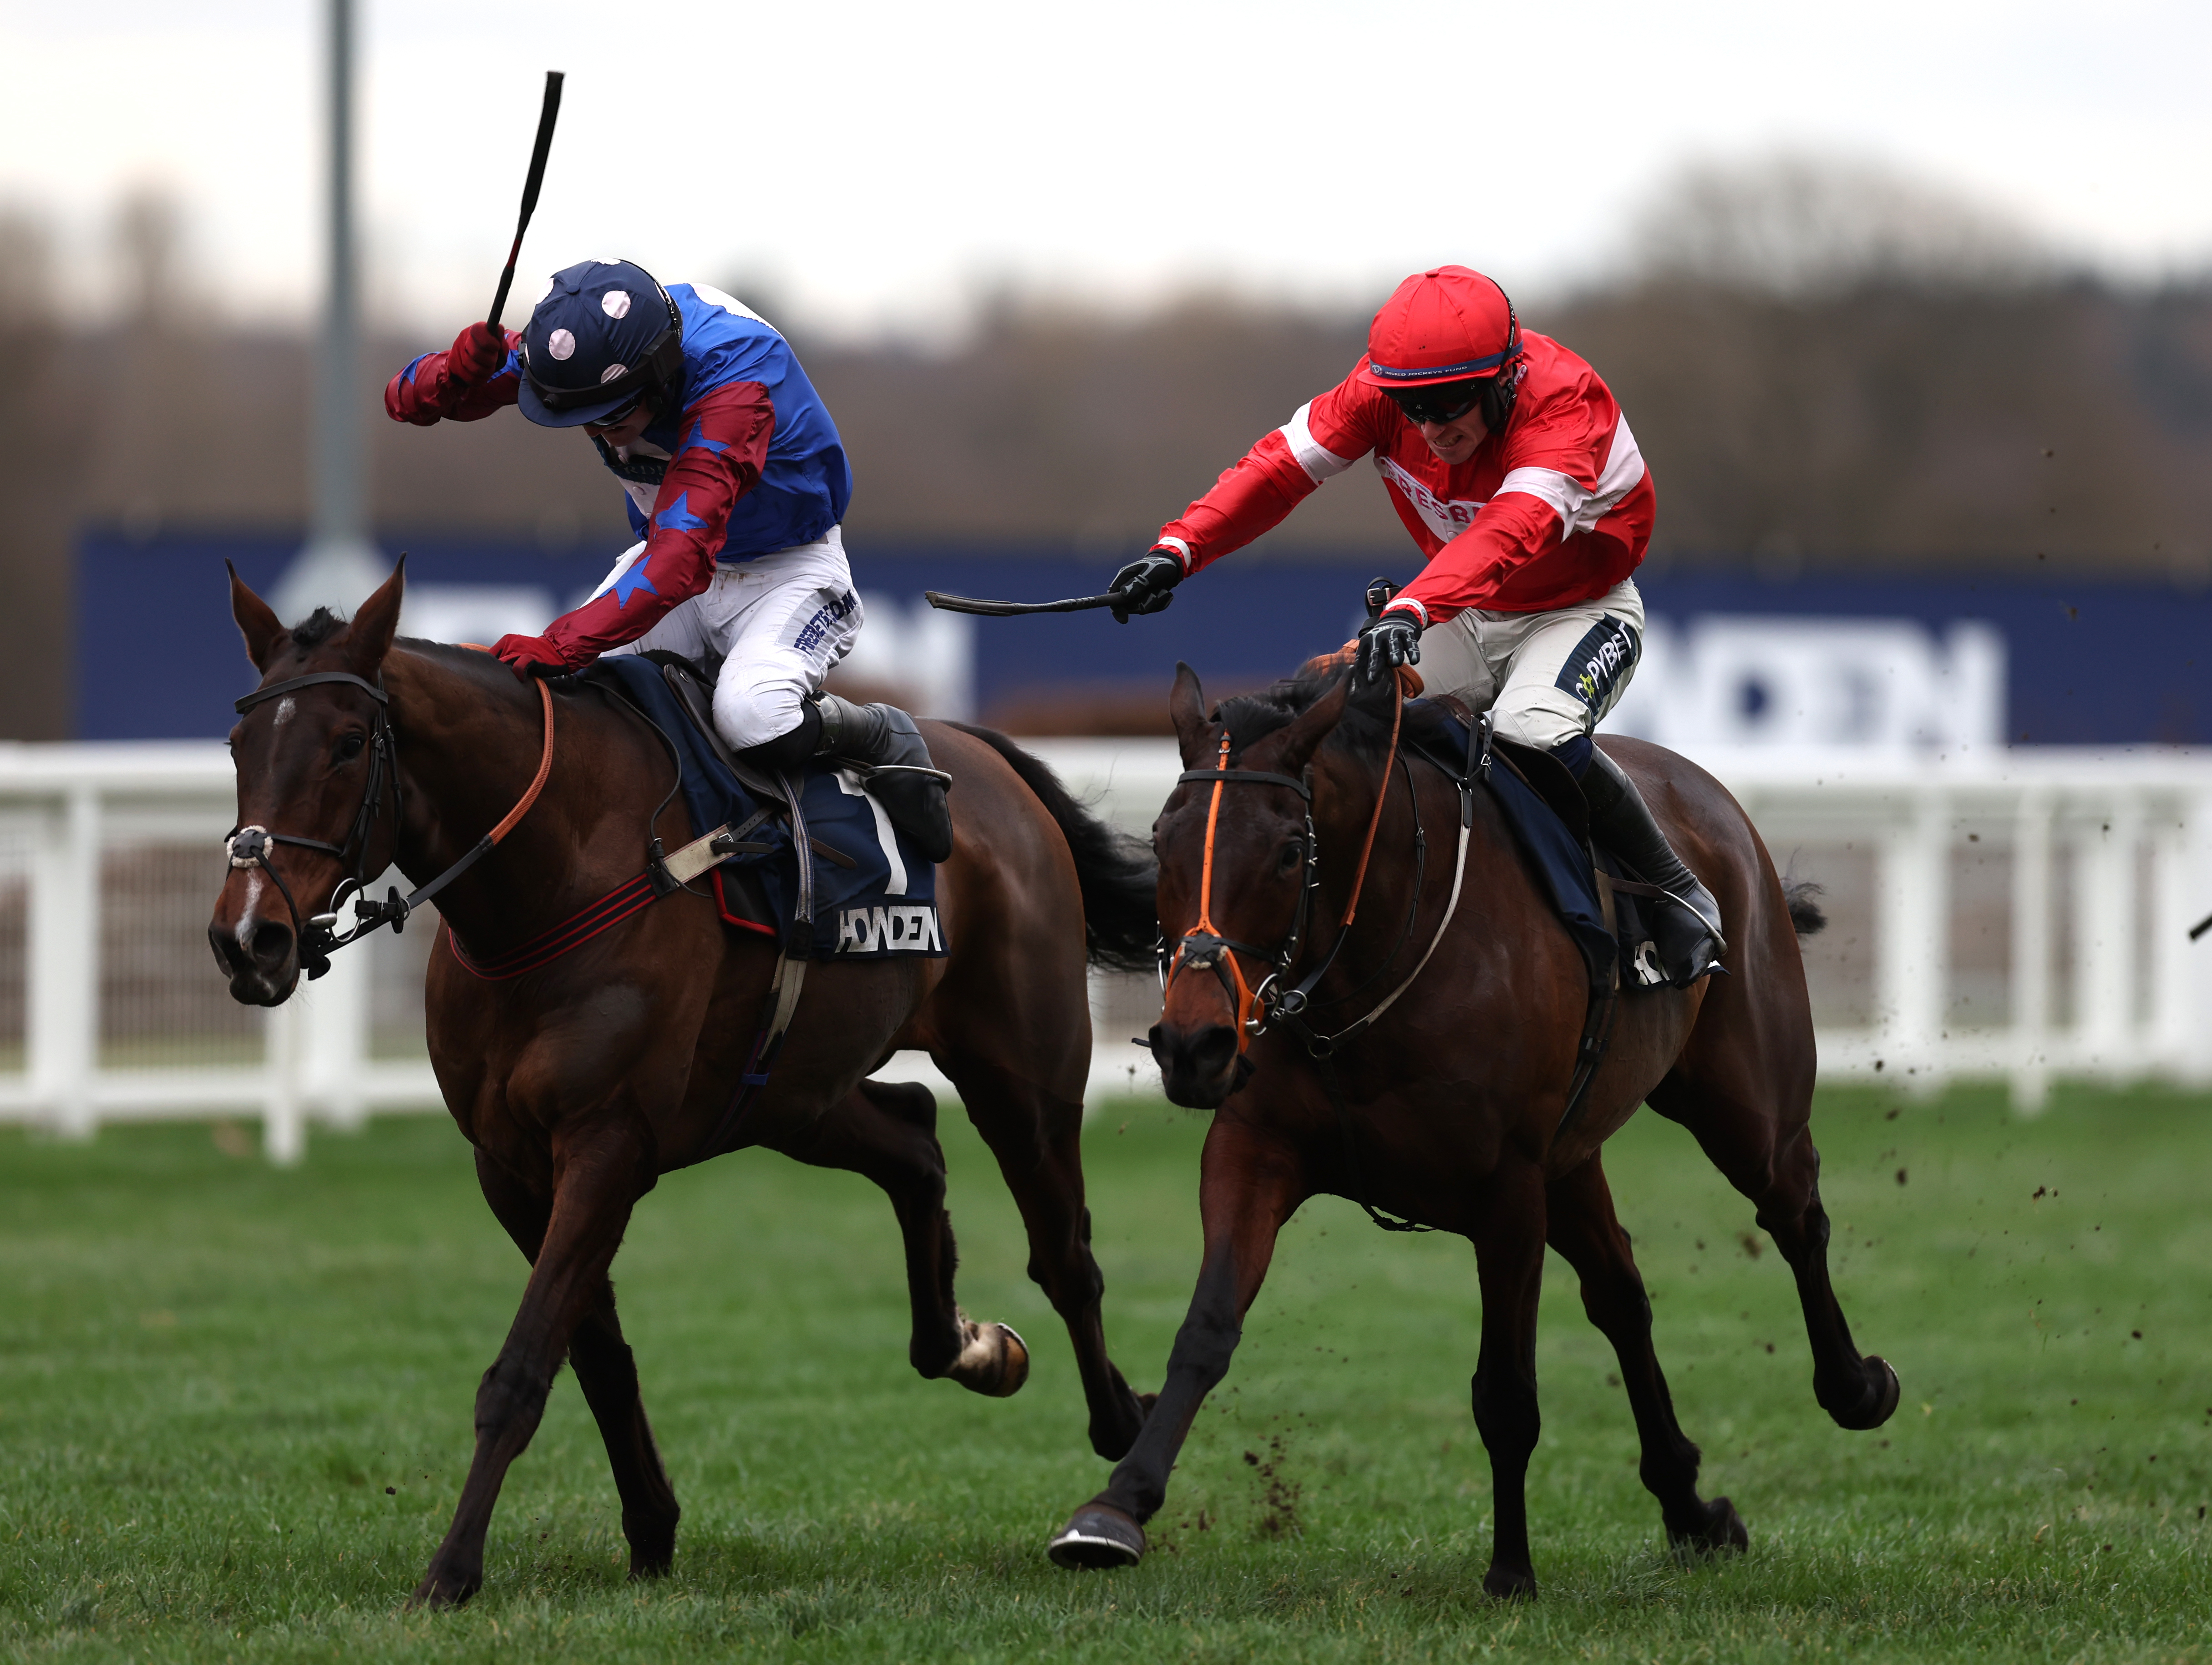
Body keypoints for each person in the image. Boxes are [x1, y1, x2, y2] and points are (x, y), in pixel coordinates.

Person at [1105, 264, 1722, 985]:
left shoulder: (1565, 406)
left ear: (1506, 377)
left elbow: (1507, 534)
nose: (1431, 428)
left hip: (1578, 610)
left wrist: (1412, 608)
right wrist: (1178, 550)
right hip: (1460, 607)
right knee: (1322, 711)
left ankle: (1680, 891)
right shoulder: (1376, 393)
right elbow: (1277, 470)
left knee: (1532, 735)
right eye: (1413, 407)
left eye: (1452, 403)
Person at [384, 258, 951, 862]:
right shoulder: (590, 346)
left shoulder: (734, 390)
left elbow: (680, 557)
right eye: (581, 421)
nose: (603, 437)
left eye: (611, 418)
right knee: (556, 701)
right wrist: (450, 373)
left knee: (752, 713)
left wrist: (564, 639)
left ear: (658, 380)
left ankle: (878, 733)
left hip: (790, 571)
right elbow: (403, 402)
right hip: (677, 567)